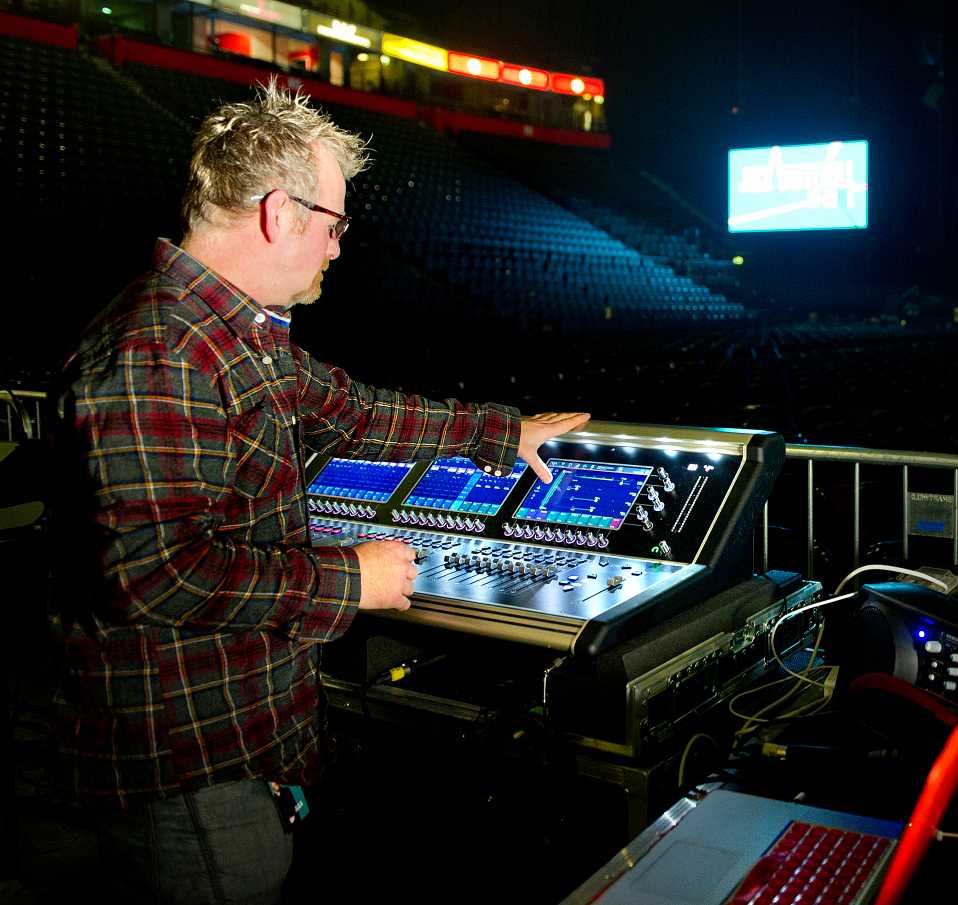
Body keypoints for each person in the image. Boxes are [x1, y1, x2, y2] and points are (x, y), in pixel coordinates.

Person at [50, 80, 589, 903]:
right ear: (280, 213)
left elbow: (353, 409)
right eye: (334, 225)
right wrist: (352, 577)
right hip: (188, 767)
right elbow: (158, 571)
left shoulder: (230, 330)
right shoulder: (160, 349)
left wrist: (499, 432)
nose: (338, 248)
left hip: (235, 744)